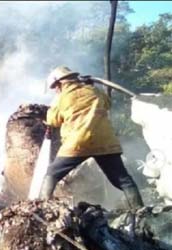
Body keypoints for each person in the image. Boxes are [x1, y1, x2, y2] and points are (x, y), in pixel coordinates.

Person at [39, 66, 144, 210]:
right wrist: (91, 87)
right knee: (123, 180)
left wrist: (55, 103)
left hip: (78, 143)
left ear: (59, 84)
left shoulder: (62, 97)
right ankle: (141, 211)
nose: (55, 90)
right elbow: (108, 104)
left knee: (52, 173)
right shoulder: (94, 91)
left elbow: (52, 120)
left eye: (55, 87)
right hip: (106, 143)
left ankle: (41, 208)